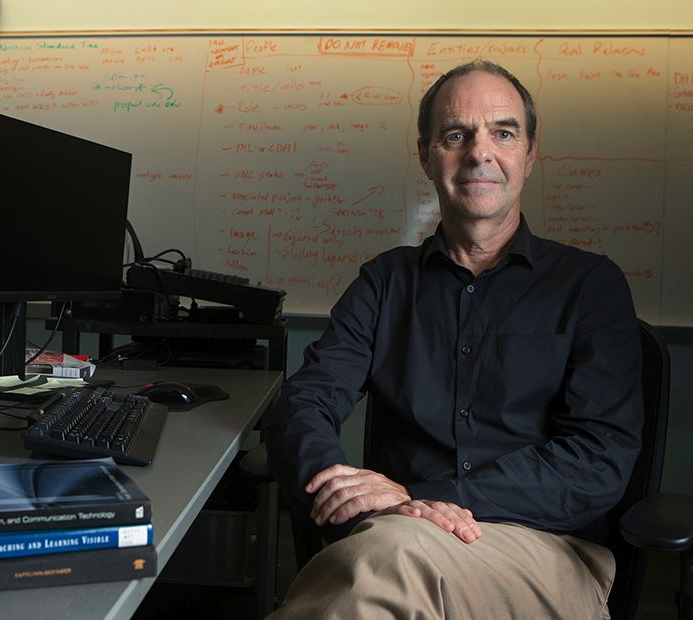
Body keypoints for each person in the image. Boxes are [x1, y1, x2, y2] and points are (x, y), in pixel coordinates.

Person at [264, 59, 643, 619]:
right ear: (426, 154)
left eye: (503, 132)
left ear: (530, 154)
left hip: (546, 551)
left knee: (385, 562)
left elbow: (598, 462)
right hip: (391, 535)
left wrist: (417, 498)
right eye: (456, 135)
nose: (479, 153)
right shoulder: (386, 282)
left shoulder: (591, 286)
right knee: (386, 560)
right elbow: (303, 403)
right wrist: (349, 500)